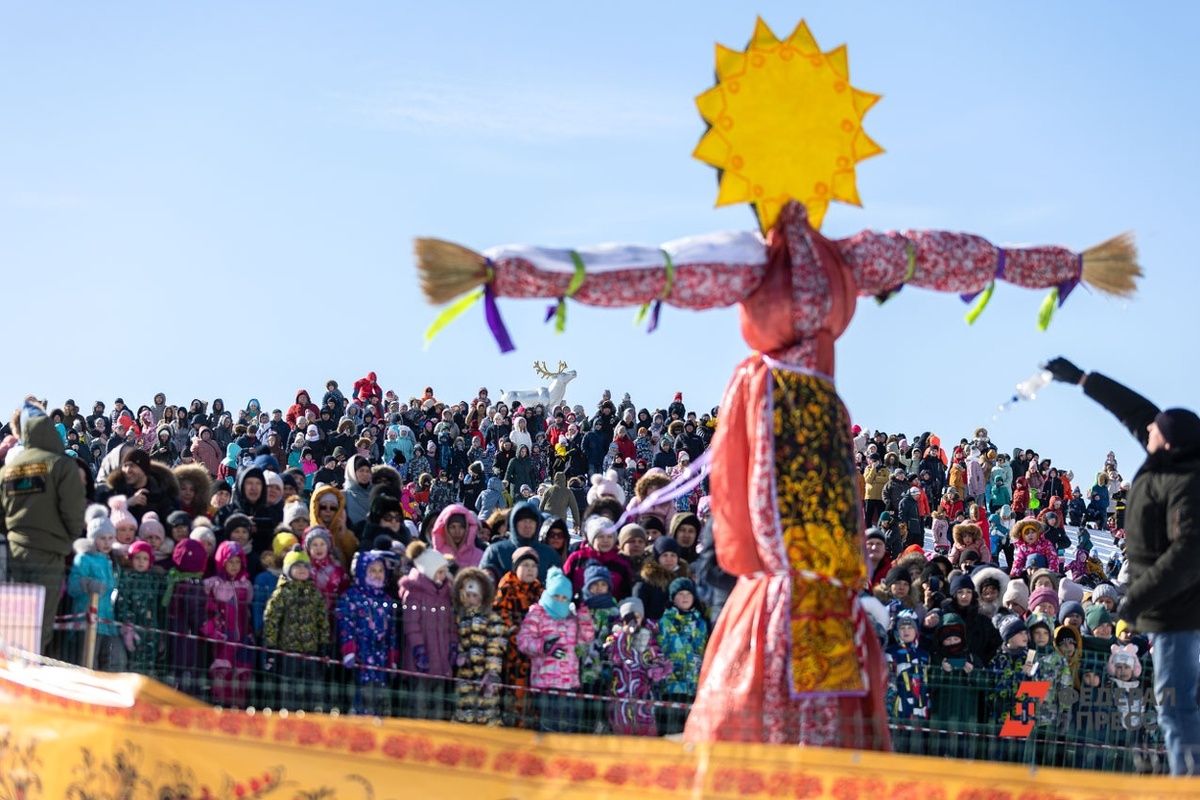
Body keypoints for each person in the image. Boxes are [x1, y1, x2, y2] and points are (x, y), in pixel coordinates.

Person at [1045, 355, 1200, 775]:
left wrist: (1137, 600)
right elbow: (1135, 409)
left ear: (1166, 441)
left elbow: (1190, 553)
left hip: (1180, 611)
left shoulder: (1187, 481)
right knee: (1176, 700)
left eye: (1155, 430)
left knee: (1176, 701)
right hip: (1170, 607)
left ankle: (1189, 782)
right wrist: (1082, 379)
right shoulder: (1169, 456)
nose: (1146, 428)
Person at [0, 400, 87, 651]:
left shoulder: (9, 468)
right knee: (39, 626)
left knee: (12, 624)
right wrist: (67, 539)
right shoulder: (61, 465)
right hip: (49, 555)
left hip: (13, 554)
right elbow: (73, 511)